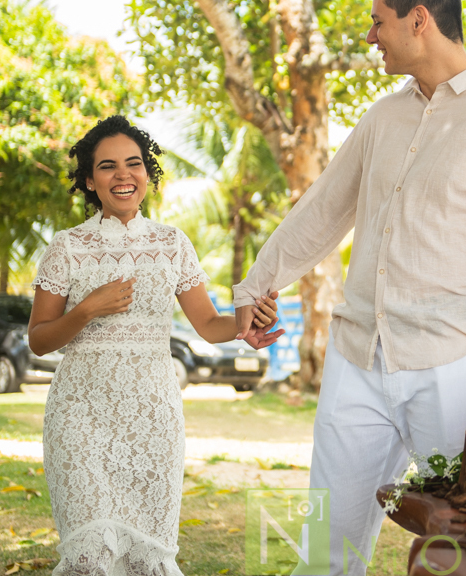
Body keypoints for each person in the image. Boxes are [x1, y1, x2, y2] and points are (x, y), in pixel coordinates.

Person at [235, 0, 466, 575]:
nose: (369, 36)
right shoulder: (384, 117)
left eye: (377, 21)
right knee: (326, 548)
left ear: (418, 20)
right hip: (358, 358)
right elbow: (323, 210)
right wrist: (258, 284)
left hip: (456, 368)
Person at [28, 115, 283, 576]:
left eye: (134, 163)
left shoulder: (173, 244)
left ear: (147, 173)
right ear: (89, 179)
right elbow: (39, 340)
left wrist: (245, 327)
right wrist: (85, 309)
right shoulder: (66, 247)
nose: (123, 175)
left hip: (152, 415)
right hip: (80, 412)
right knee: (89, 555)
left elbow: (207, 324)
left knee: (148, 558)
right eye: (107, 166)